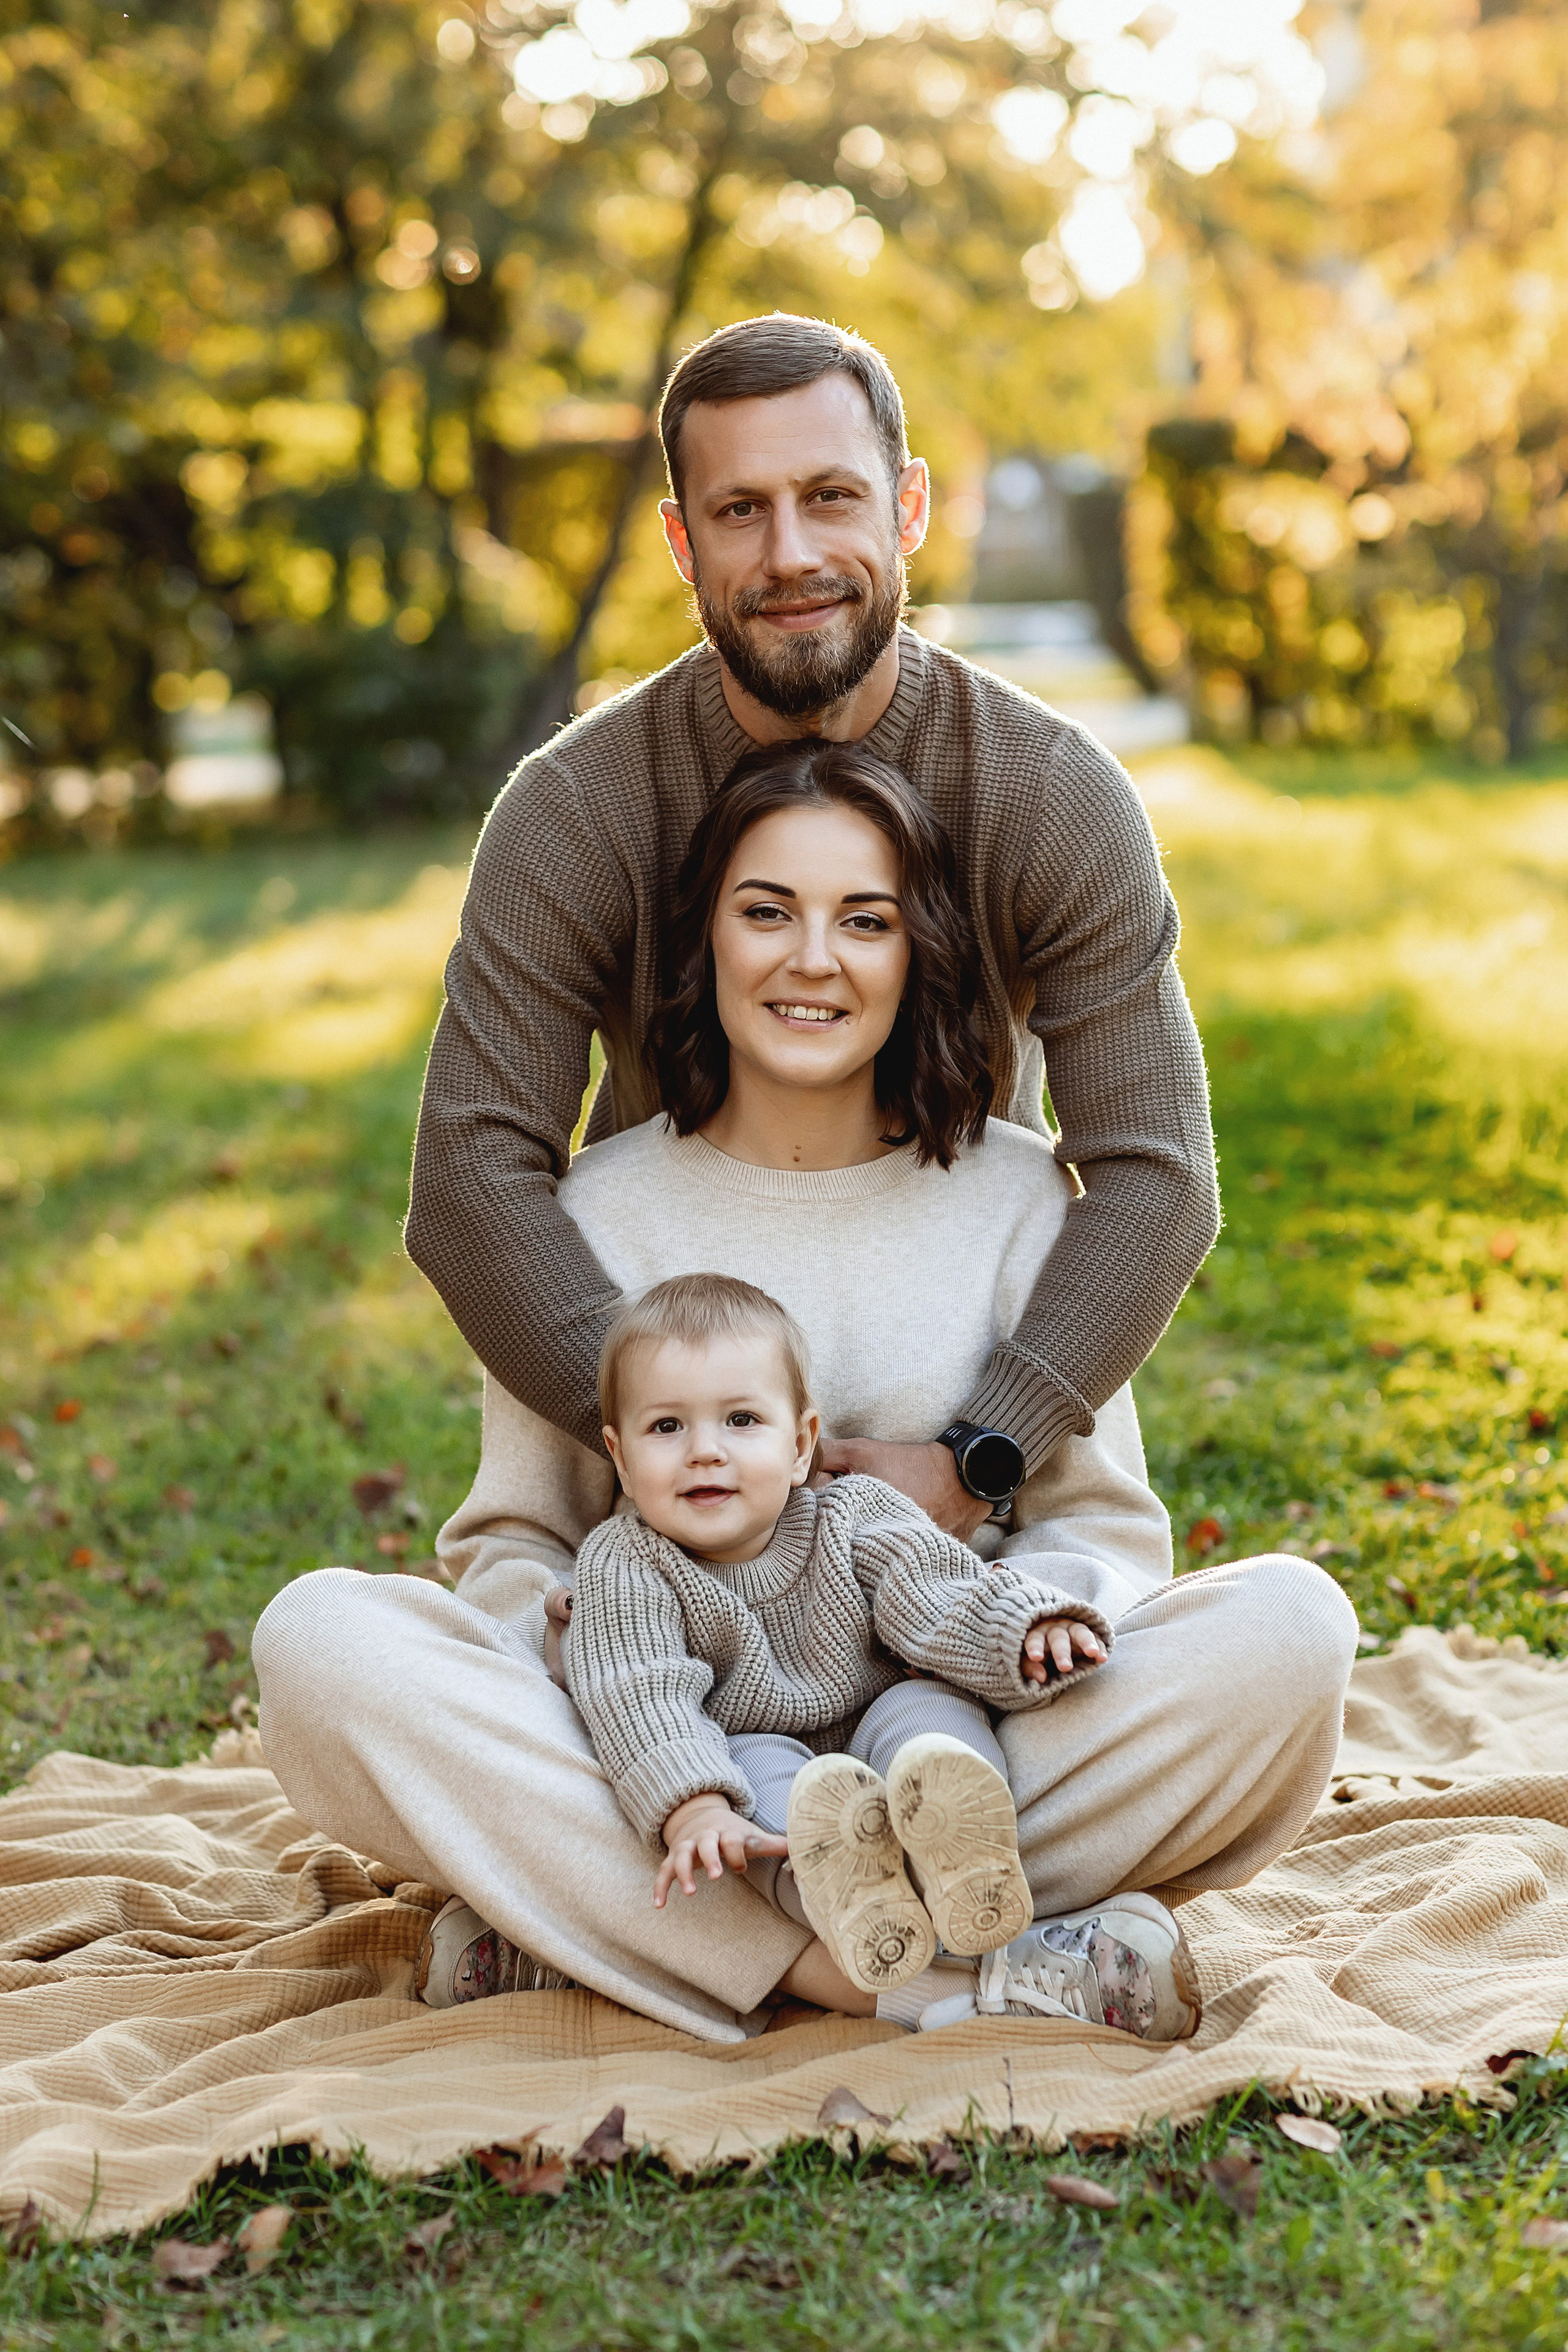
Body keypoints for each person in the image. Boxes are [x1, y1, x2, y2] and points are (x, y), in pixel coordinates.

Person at [254, 741, 1357, 2046]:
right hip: (662, 1761)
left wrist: (1030, 1635)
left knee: (1290, 1629)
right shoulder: (590, 1219)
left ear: (918, 954)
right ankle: (934, 1971)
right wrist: (585, 1655)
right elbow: (515, 1541)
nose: (812, 959)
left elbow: (1098, 1534)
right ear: (703, 943)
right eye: (766, 911)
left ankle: (594, 1932)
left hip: (968, 1735)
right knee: (322, 1647)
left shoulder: (1013, 1201)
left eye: (865, 921)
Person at [404, 311, 1221, 1551]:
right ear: (681, 542)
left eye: (830, 496)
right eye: (738, 511)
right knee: (339, 1641)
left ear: (906, 510)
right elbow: (469, 1178)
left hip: (946, 1391)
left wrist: (979, 1452)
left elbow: (1155, 1169)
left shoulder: (1047, 795)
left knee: (1276, 1632)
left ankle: (966, 1714)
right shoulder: (576, 813)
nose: (789, 552)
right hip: (667, 1420)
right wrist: (683, 1451)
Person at [566, 1270, 1114, 1999]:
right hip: (751, 1747)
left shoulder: (851, 1514)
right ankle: (855, 1907)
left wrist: (1022, 1627)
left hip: (879, 1717)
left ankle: (964, 1848)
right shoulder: (624, 1562)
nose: (704, 1450)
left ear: (801, 1447)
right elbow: (638, 1694)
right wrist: (693, 1806)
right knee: (761, 1805)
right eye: (667, 1427)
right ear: (622, 1459)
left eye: (740, 1421)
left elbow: (934, 1588)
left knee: (930, 1721)